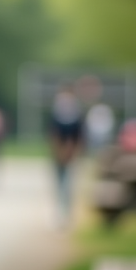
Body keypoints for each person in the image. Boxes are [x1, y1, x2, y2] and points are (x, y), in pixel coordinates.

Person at [48, 83, 85, 227]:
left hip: (71, 154)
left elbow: (79, 136)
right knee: (59, 185)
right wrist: (58, 151)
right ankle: (59, 214)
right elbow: (53, 134)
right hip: (58, 154)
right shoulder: (57, 112)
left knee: (68, 186)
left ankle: (67, 215)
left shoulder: (76, 113)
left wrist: (73, 152)